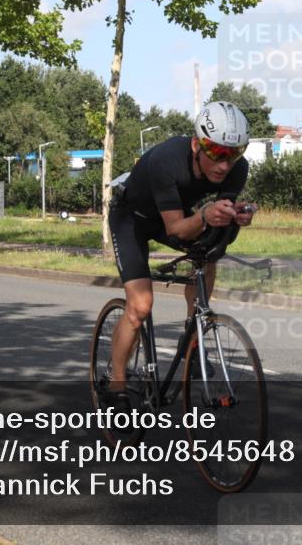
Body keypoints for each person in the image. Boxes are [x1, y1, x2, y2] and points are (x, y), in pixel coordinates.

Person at [105, 101, 257, 409]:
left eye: (234, 154)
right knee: (140, 306)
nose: (224, 165)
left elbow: (216, 226)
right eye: (215, 152)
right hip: (131, 219)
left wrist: (235, 216)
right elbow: (176, 229)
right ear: (196, 145)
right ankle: (116, 381)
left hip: (173, 216)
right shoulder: (167, 160)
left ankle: (193, 338)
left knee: (210, 253)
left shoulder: (237, 169)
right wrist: (205, 215)